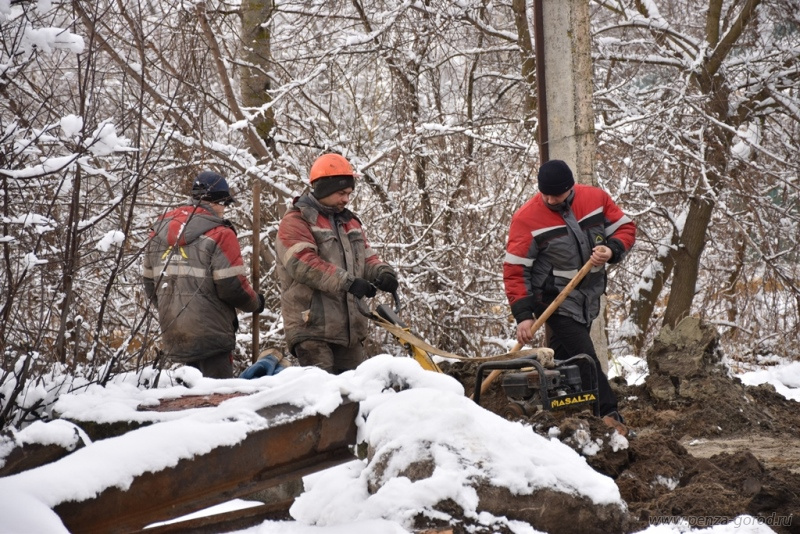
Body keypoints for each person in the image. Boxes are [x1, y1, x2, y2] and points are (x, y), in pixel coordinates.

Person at [503, 159, 636, 429]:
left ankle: (560, 410)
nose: (551, 199)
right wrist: (523, 316)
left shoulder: (595, 199)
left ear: (571, 187)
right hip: (552, 300)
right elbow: (515, 270)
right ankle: (608, 415)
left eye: (557, 194)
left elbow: (626, 228)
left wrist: (611, 250)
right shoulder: (526, 218)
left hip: (587, 295)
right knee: (585, 356)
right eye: (546, 194)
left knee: (566, 360)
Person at [276, 153, 398, 374]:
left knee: (353, 398)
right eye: (342, 193)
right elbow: (303, 264)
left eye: (349, 193)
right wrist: (349, 282)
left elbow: (367, 257)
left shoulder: (350, 222)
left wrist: (382, 271)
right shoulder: (296, 221)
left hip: (350, 331)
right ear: (324, 189)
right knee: (324, 398)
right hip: (312, 328)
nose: (346, 199)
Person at [142, 171, 265, 379]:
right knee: (217, 403)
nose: (223, 211)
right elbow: (231, 287)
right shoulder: (220, 233)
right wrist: (255, 303)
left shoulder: (156, 233)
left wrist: (171, 307)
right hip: (212, 336)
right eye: (224, 204)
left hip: (174, 332)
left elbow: (149, 285)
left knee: (186, 403)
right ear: (217, 202)